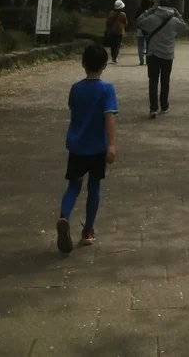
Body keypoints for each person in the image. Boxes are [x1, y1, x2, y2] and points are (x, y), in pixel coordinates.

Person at [56, 43, 117, 253]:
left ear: (83, 64)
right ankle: (88, 231)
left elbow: (73, 108)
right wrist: (111, 144)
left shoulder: (76, 88)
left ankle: (64, 216)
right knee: (94, 187)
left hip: (77, 145)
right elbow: (109, 116)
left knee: (73, 186)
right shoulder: (107, 89)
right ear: (104, 66)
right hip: (98, 147)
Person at [136, 2, 188, 118]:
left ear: (158, 7)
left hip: (153, 54)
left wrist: (148, 11)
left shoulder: (152, 18)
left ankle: (153, 108)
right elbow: (185, 27)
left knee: (153, 81)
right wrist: (178, 14)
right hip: (168, 55)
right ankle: (164, 105)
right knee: (165, 81)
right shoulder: (174, 21)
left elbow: (138, 21)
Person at [104, 0, 127, 64]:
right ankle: (115, 57)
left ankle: (113, 56)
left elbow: (107, 22)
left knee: (112, 45)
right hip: (119, 32)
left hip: (112, 31)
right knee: (117, 45)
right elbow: (125, 22)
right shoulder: (123, 14)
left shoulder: (111, 13)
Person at [134, 0, 153, 65]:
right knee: (148, 45)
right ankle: (148, 60)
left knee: (140, 45)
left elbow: (135, 20)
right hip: (148, 30)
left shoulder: (138, 11)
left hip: (139, 29)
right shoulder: (150, 11)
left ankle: (141, 59)